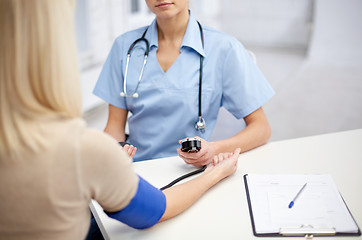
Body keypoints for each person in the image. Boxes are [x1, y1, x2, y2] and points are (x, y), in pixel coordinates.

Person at [0, 1, 240, 239]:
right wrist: (214, 174)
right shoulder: (83, 150)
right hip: (143, 182)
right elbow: (156, 210)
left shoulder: (223, 47)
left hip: (170, 172)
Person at [93, 0, 275, 166]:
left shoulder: (224, 49)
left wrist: (215, 149)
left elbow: (261, 128)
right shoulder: (124, 47)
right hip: (138, 169)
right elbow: (115, 127)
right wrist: (114, 155)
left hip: (193, 171)